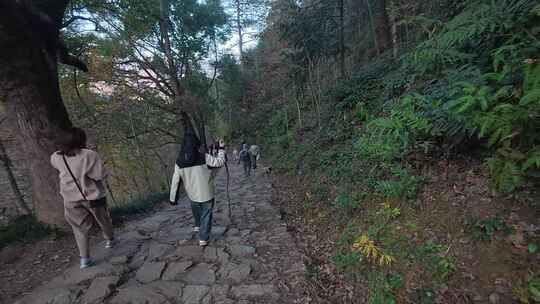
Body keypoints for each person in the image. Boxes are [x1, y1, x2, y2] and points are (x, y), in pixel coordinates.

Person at [50, 127, 114, 269]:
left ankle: (84, 259)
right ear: (81, 139)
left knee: (79, 229)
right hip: (92, 196)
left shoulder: (55, 156)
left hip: (70, 198)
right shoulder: (89, 155)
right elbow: (99, 175)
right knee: (103, 219)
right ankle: (110, 239)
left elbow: (58, 167)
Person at [169, 113, 226, 247]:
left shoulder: (179, 162)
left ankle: (197, 225)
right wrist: (221, 149)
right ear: (196, 144)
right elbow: (219, 162)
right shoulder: (203, 157)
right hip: (206, 193)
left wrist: (173, 199)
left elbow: (175, 182)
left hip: (192, 194)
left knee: (196, 209)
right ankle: (203, 238)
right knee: (206, 214)